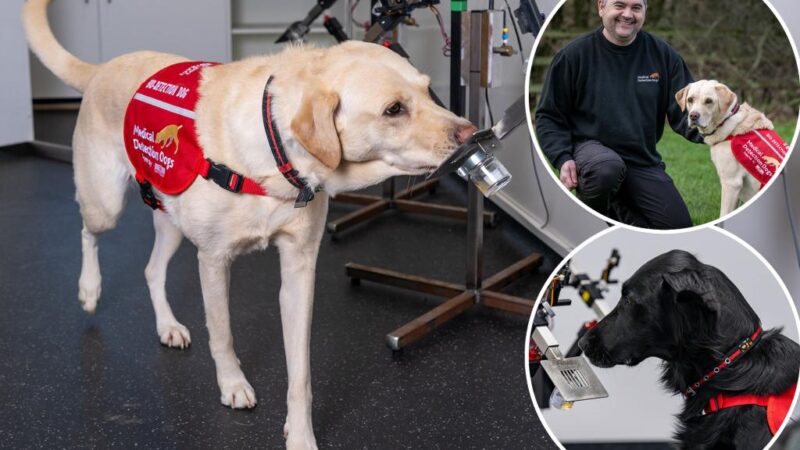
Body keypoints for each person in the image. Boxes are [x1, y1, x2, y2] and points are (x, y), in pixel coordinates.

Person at [535, 0, 702, 229]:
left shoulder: (663, 55)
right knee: (607, 169)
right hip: (592, 155)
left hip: (641, 161)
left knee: (677, 226)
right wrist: (562, 157)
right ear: (601, 7)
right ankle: (592, 221)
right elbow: (548, 117)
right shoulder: (574, 56)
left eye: (636, 7)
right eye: (619, 5)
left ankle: (616, 208)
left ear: (645, 12)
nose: (627, 14)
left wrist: (722, 131)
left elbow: (687, 111)